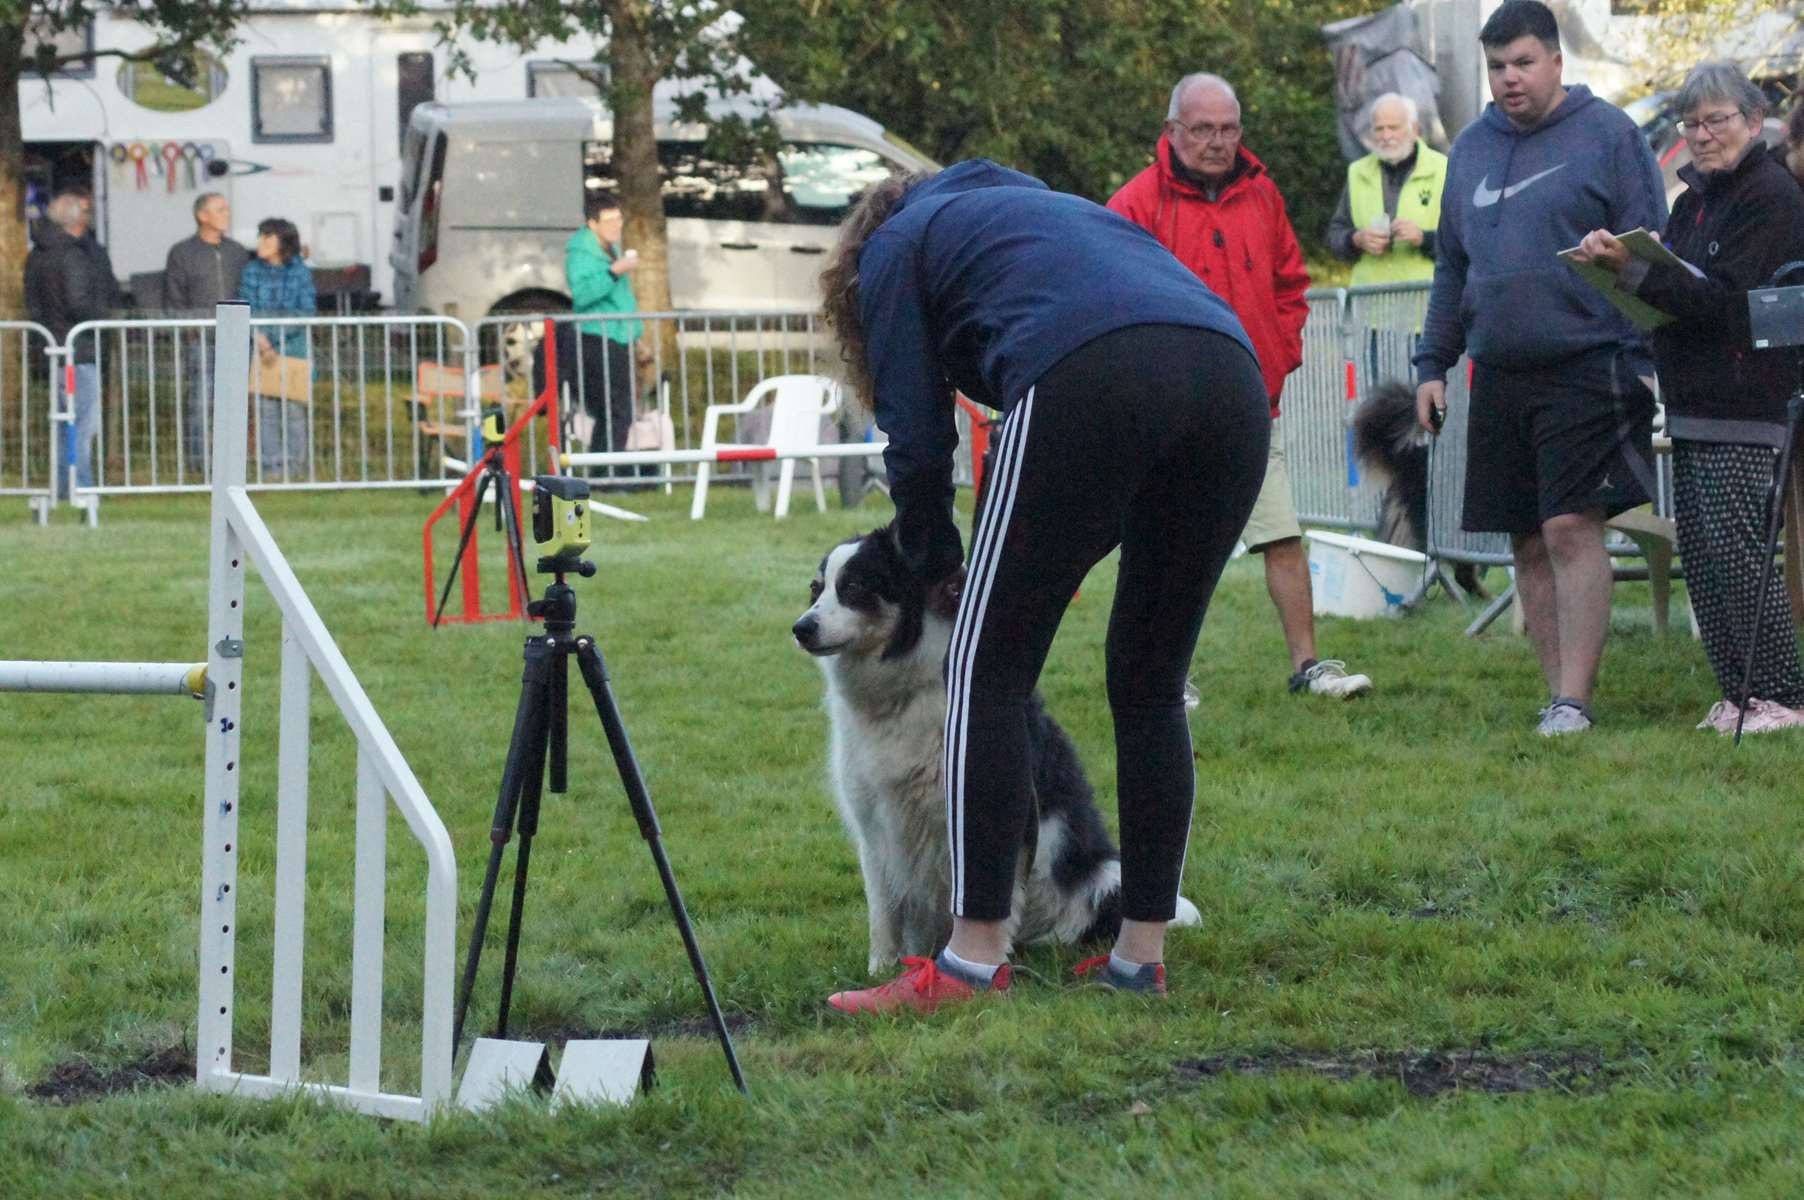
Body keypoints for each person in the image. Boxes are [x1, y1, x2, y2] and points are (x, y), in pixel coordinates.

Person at [817, 160, 1270, 1014]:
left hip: (1089, 374)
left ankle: (971, 962)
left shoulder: (894, 248)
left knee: (986, 670)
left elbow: (916, 439)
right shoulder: (1045, 208)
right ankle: (1141, 956)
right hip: (1229, 379)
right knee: (1150, 683)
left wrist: (932, 553)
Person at [1412, 0, 1666, 736]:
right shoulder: (1470, 148)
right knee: (1525, 535)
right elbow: (1450, 269)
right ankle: (1556, 693)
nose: (1509, 79)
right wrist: (1433, 363)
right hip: (1498, 370)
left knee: (1567, 529)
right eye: (1497, 67)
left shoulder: (1611, 136)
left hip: (1591, 362)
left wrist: (1645, 358)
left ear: (1557, 60)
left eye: (1523, 63)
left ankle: (1575, 700)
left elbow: (1654, 253)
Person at [1110, 72, 1373, 700]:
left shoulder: (1262, 195)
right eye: (1202, 129)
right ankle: (1166, 675)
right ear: (1173, 131)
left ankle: (1309, 668)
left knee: (1282, 534)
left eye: (1228, 129)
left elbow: (1291, 284)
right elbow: (1115, 299)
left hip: (1253, 405)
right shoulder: (1135, 204)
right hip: (1168, 411)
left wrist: (1276, 360)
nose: (1217, 142)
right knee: (1166, 544)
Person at [1572, 63, 1804, 734]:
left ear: (1753, 120)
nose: (1702, 136)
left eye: (1717, 120)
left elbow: (1727, 303)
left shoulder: (1773, 196)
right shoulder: (1691, 203)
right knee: (1703, 556)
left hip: (1747, 401)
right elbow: (1677, 290)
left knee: (1739, 551)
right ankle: (1740, 692)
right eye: (1691, 123)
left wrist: (1636, 271)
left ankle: (1784, 695)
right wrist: (1622, 272)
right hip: (1695, 398)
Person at [24, 188, 118, 497]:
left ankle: (66, 486)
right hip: (77, 351)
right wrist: (107, 316)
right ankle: (81, 486)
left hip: (53, 347)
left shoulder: (37, 253)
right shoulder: (73, 254)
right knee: (81, 423)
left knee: (65, 422)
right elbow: (79, 304)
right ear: (77, 220)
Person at [163, 192, 249, 476]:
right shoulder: (182, 253)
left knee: (236, 402)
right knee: (201, 400)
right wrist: (189, 331)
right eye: (220, 209)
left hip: (235, 339)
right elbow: (174, 297)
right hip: (200, 339)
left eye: (227, 208)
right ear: (203, 216)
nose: (227, 213)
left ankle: (233, 463)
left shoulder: (237, 252)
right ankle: (200, 462)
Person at [1326, 92, 1448, 286]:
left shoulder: (1444, 169)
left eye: (1393, 128)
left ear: (1414, 129)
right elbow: (1335, 236)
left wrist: (1424, 238)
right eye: (1379, 129)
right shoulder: (1357, 172)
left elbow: (1467, 240)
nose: (1386, 136)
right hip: (1369, 301)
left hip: (1425, 297)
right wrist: (1356, 239)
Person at [565, 191, 643, 462]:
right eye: (609, 221)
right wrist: (613, 272)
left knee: (617, 411)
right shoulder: (581, 253)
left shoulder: (610, 249)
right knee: (616, 410)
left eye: (619, 219)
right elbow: (582, 295)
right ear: (592, 223)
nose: (616, 225)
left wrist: (637, 335)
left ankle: (604, 470)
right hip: (596, 338)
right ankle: (605, 471)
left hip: (619, 336)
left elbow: (622, 300)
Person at [239, 217, 316, 480]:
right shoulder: (251, 271)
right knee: (265, 410)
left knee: (294, 410)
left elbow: (305, 310)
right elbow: (245, 305)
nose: (261, 242)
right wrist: (259, 339)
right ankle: (271, 467)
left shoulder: (300, 271)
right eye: (260, 236)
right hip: (260, 348)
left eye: (268, 238)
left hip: (293, 348)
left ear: (283, 242)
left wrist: (273, 338)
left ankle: (296, 467)